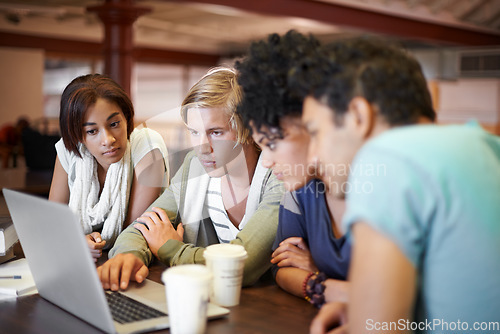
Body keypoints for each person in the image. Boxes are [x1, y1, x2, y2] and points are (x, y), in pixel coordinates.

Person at [292, 37, 500, 334]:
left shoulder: (387, 159)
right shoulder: (486, 146)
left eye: (315, 132)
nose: (312, 157)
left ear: (359, 117)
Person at [97, 67, 284, 291]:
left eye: (216, 132)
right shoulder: (194, 167)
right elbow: (144, 226)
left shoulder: (280, 175)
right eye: (194, 132)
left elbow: (242, 265)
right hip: (206, 302)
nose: (202, 148)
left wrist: (170, 248)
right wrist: (128, 257)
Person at [235, 30, 350, 306]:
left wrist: (319, 274)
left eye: (274, 143)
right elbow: (282, 269)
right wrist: (322, 285)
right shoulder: (299, 188)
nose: (268, 161)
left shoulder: (373, 187)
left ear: (313, 120)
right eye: (263, 147)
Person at [49, 74, 169, 261]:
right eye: (92, 131)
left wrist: (75, 242)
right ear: (77, 135)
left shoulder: (146, 146)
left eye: (114, 124)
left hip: (136, 258)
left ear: (126, 118)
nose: (108, 140)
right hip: (82, 262)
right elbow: (53, 223)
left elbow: (134, 233)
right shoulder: (69, 150)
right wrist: (77, 242)